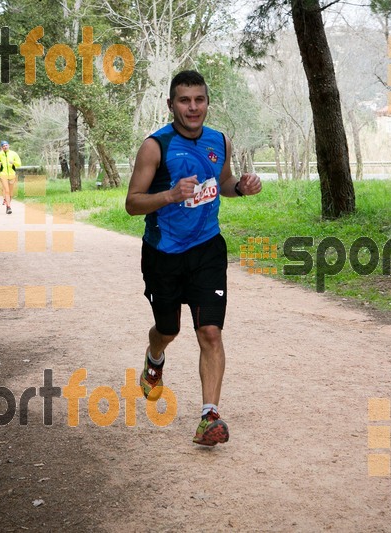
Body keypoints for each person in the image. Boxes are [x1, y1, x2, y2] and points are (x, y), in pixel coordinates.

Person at [124, 70, 262, 446]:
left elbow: (225, 182)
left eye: (199, 99)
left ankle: (209, 416)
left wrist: (242, 187)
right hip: (163, 253)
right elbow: (132, 203)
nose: (193, 107)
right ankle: (154, 360)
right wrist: (169, 195)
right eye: (184, 100)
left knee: (210, 332)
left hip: (206, 249)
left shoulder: (220, 141)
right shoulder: (156, 146)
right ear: (171, 105)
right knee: (169, 330)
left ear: (206, 102)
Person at [0, 140, 22, 214]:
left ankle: (7, 204)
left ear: (8, 146)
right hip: (3, 174)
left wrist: (14, 162)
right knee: (7, 190)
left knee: (11, 193)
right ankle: (9, 207)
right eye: (3, 146)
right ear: (1, 147)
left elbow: (19, 164)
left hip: (12, 174)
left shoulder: (14, 154)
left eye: (6, 145)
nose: (5, 147)